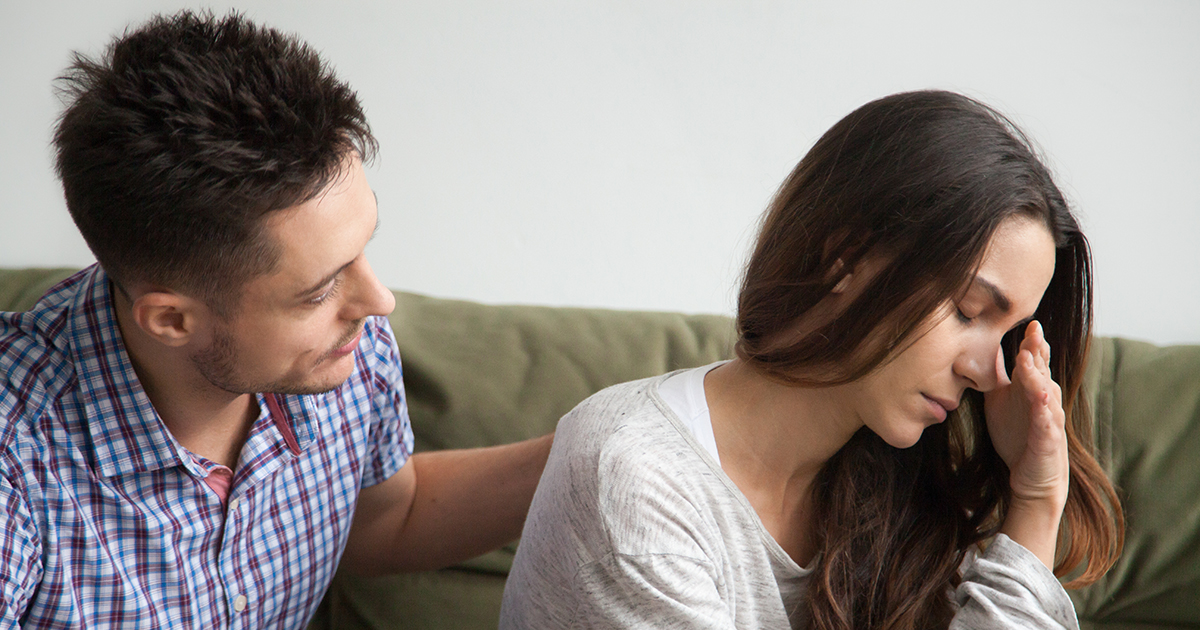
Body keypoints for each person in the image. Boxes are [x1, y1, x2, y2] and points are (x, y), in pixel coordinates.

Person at [0, 11, 552, 628]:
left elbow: (386, 520)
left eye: (361, 250)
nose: (378, 302)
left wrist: (587, 452)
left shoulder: (348, 348)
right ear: (172, 320)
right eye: (319, 290)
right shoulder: (17, 469)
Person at [500, 90, 1124, 629]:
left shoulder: (899, 493)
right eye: (968, 310)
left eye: (1008, 337)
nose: (989, 372)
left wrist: (1035, 497)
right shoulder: (641, 494)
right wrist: (1034, 509)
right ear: (846, 259)